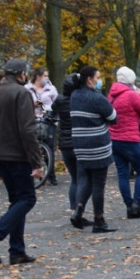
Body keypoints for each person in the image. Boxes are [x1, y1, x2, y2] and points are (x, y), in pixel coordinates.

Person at [0, 59, 45, 265]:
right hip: (17, 156)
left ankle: (17, 251)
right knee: (27, 199)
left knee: (17, 202)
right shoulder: (22, 93)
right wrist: (37, 162)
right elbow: (27, 130)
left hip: (0, 155)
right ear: (21, 74)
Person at [70, 66, 117, 233]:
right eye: (97, 77)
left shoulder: (74, 95)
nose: (99, 80)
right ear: (89, 79)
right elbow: (113, 117)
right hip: (97, 145)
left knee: (87, 180)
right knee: (98, 184)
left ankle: (78, 211)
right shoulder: (97, 98)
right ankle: (99, 220)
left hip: (80, 145)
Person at [108, 67, 140, 218]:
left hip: (114, 138)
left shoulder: (111, 95)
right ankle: (136, 203)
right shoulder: (132, 95)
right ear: (131, 79)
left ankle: (129, 206)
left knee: (123, 174)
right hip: (130, 139)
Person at [52, 73, 84, 218]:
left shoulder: (59, 100)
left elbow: (52, 112)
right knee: (82, 177)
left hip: (65, 143)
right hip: (79, 142)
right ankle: (79, 209)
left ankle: (73, 207)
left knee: (74, 178)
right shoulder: (80, 100)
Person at [27, 67, 59, 184]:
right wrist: (33, 105)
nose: (47, 78)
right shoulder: (27, 89)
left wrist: (52, 112)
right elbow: (23, 104)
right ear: (38, 76)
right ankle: (37, 172)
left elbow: (57, 103)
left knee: (49, 147)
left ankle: (51, 174)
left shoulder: (51, 88)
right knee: (34, 147)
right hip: (33, 120)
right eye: (45, 76)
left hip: (48, 120)